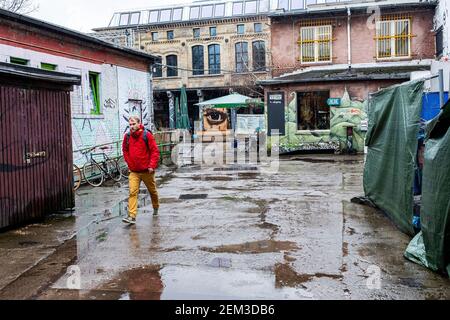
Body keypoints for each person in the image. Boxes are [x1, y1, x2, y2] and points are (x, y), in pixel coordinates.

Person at [122, 116, 160, 225]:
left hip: (147, 171)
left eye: (133, 124)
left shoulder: (146, 135)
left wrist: (152, 165)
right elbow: (125, 150)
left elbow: (154, 151)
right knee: (132, 192)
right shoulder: (127, 136)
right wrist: (129, 163)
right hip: (134, 171)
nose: (131, 126)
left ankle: (156, 207)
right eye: (130, 124)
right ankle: (131, 216)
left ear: (139, 123)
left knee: (152, 191)